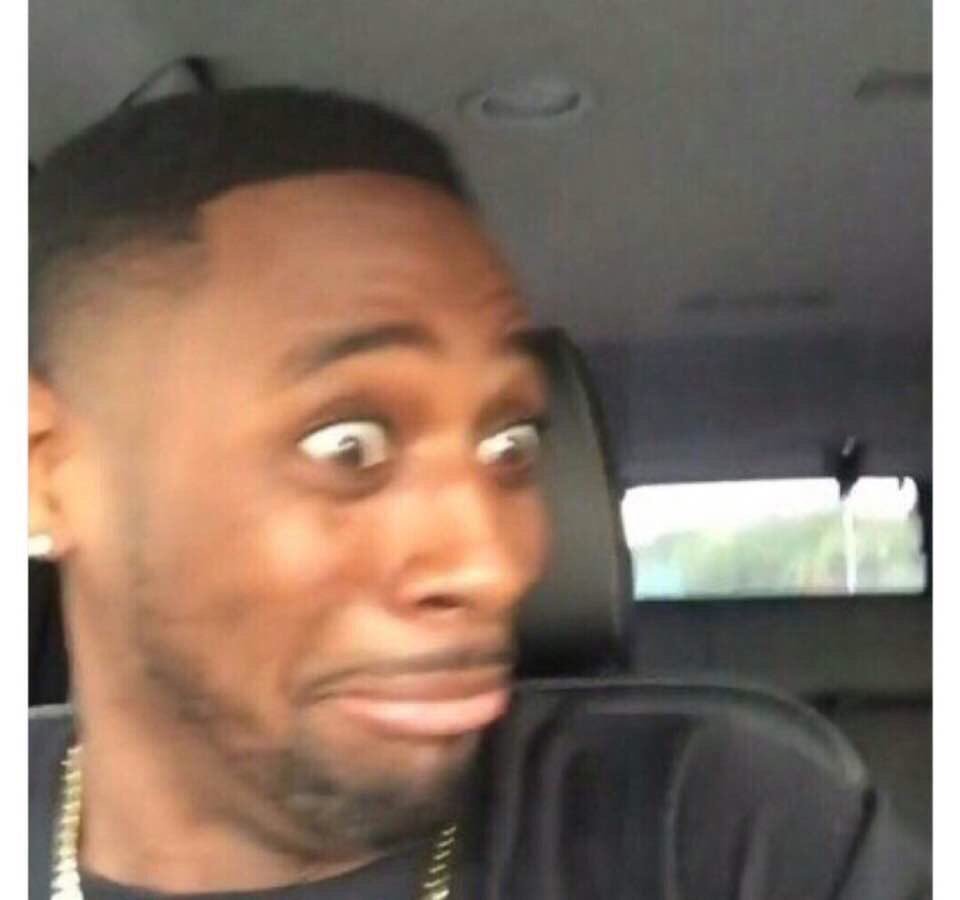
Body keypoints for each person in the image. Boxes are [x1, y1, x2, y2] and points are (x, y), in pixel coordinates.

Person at [29, 87, 930, 899]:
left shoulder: (715, 831)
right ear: (44, 473)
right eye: (348, 445)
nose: (495, 565)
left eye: (510, 445)